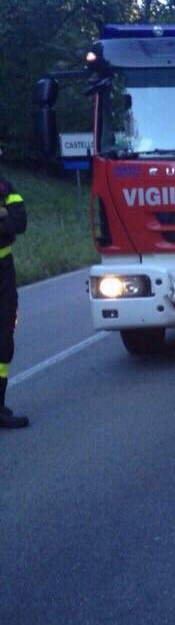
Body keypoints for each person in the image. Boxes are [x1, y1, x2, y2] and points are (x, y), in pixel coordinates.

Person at [0, 146, 29, 428]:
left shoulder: (5, 185)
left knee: (5, 334)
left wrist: (7, 217)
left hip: (4, 272)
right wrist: (3, 216)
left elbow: (20, 223)